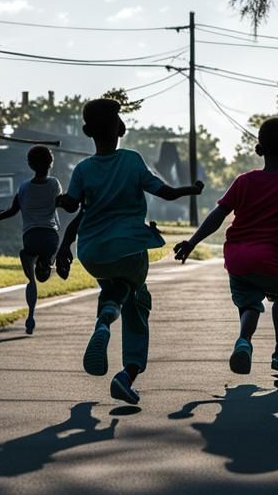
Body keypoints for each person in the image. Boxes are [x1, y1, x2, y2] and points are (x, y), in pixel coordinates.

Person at [56, 98, 203, 405]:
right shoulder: (132, 160)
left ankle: (105, 318)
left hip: (92, 251)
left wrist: (58, 211)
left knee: (112, 287)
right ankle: (126, 373)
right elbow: (165, 191)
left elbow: (72, 205)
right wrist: (192, 190)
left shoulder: (83, 170)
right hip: (129, 247)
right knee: (136, 302)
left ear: (86, 131)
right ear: (120, 127)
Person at [174, 117, 278, 379]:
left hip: (236, 258)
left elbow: (217, 215)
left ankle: (244, 341)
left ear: (259, 149)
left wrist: (191, 242)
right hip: (265, 258)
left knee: (250, 305)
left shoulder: (243, 181)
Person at [0, 145, 63, 335]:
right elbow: (61, 203)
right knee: (49, 250)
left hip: (31, 236)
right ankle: (48, 262)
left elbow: (13, 211)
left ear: (30, 164)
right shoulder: (55, 184)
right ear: (50, 164)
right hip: (50, 236)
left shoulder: (24, 188)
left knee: (31, 276)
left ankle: (31, 315)